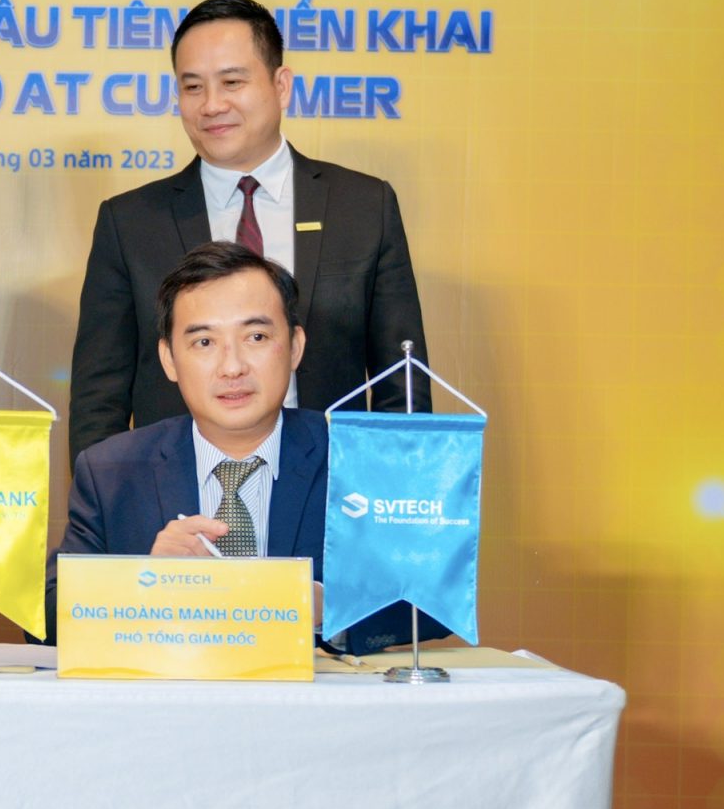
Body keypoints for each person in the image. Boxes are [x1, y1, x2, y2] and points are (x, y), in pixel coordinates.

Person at [66, 0, 429, 463]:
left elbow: (402, 384)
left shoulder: (362, 207)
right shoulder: (131, 222)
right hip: (175, 494)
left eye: (232, 82)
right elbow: (99, 398)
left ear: (281, 86)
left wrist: (393, 494)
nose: (212, 105)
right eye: (192, 87)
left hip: (328, 487)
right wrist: (106, 499)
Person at [47, 242, 435, 655]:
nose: (232, 367)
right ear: (169, 359)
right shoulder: (111, 472)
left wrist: (327, 606)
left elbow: (431, 600)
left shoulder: (362, 460)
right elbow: (48, 619)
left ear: (295, 347)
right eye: (204, 342)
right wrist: (145, 585)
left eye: (256, 336)